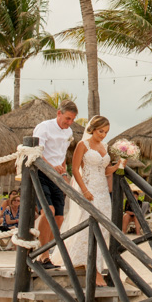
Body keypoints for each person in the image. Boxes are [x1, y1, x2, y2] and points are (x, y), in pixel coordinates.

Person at [60, 115, 120, 287]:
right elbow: (75, 168)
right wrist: (84, 190)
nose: (103, 135)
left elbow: (105, 170)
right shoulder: (83, 145)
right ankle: (94, 270)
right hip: (89, 189)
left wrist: (117, 166)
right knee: (88, 224)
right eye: (101, 131)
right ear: (93, 129)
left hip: (102, 190)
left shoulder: (105, 146)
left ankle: (87, 261)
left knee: (102, 228)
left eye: (106, 132)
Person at [33, 99, 78, 270]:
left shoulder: (69, 132)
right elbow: (36, 152)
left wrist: (64, 173)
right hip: (41, 173)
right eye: (67, 118)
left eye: (72, 119)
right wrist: (51, 167)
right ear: (59, 113)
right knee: (48, 211)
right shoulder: (43, 127)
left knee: (59, 217)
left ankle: (45, 250)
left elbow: (61, 155)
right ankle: (43, 256)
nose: (69, 122)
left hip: (57, 177)